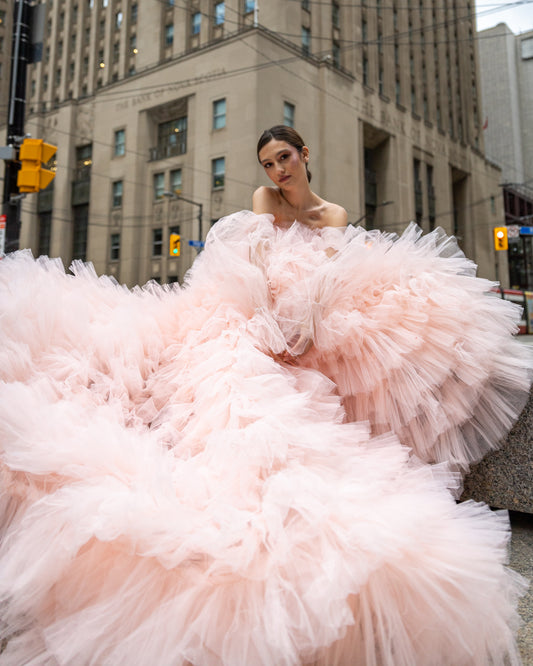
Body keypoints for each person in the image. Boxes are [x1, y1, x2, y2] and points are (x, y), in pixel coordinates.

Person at [0, 126, 531, 666]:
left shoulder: (335, 216)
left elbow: (327, 279)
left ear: (305, 154)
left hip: (301, 329)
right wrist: (264, 323)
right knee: (221, 386)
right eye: (268, 163)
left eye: (285, 158)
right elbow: (251, 266)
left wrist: (304, 322)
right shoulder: (264, 204)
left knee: (332, 378)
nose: (278, 171)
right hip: (242, 317)